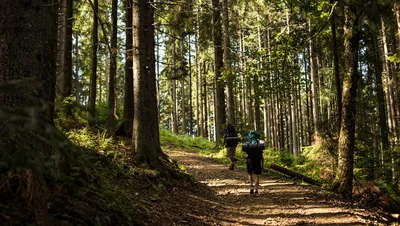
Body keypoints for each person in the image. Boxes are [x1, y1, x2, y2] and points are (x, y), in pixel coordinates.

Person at [243, 130, 264, 195]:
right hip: (257, 160)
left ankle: (251, 186)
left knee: (250, 174)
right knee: (257, 175)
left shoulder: (248, 143)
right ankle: (256, 191)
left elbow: (245, 155)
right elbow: (262, 157)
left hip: (249, 161)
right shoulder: (259, 144)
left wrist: (245, 157)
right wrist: (262, 165)